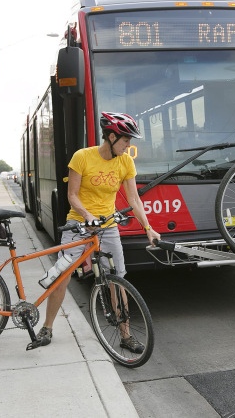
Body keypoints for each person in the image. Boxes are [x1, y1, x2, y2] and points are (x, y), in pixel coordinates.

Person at [36, 111, 160, 353]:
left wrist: (148, 228)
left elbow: (134, 198)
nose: (129, 145)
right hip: (78, 225)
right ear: (112, 137)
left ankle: (125, 335)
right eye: (126, 140)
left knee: (118, 280)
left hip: (108, 228)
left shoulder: (126, 162)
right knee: (63, 276)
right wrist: (87, 216)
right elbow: (72, 195)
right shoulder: (82, 157)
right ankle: (47, 327)